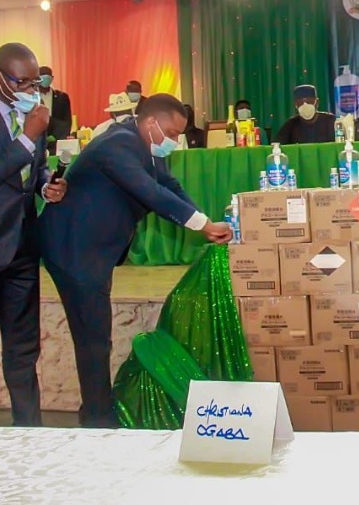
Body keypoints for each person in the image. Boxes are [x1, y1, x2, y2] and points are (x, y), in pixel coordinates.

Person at [39, 94, 233, 427]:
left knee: (96, 333)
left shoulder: (147, 145)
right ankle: (98, 420)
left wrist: (204, 220)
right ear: (150, 122)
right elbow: (150, 192)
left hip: (96, 249)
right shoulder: (117, 144)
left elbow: (168, 185)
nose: (174, 142)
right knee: (92, 335)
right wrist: (202, 225)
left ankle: (98, 410)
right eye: (171, 134)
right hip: (73, 248)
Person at [0, 43, 68, 427]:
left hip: (22, 245)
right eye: (21, 82)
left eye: (35, 82)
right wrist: (26, 138)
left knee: (23, 350)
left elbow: (33, 170)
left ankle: (29, 433)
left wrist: (46, 186)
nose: (30, 90)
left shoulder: (32, 112)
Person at [39, 66, 73, 150]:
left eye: (48, 77)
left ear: (52, 78)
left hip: (57, 142)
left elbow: (67, 121)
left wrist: (57, 137)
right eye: (43, 76)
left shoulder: (62, 97)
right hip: (37, 142)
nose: (46, 80)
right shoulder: (30, 97)